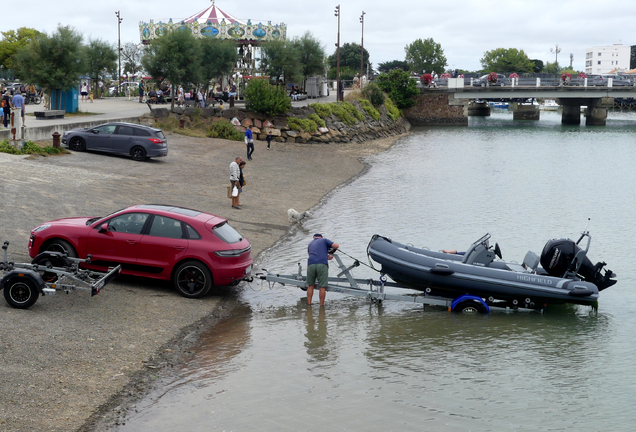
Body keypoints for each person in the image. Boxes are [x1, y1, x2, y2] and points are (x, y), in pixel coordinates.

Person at [306, 234, 339, 307]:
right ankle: (321, 306)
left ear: (314, 238)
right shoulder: (324, 240)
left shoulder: (310, 244)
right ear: (321, 237)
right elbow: (336, 246)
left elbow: (314, 254)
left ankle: (309, 304)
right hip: (322, 265)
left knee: (310, 285)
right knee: (322, 287)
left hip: (311, 264)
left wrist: (326, 257)